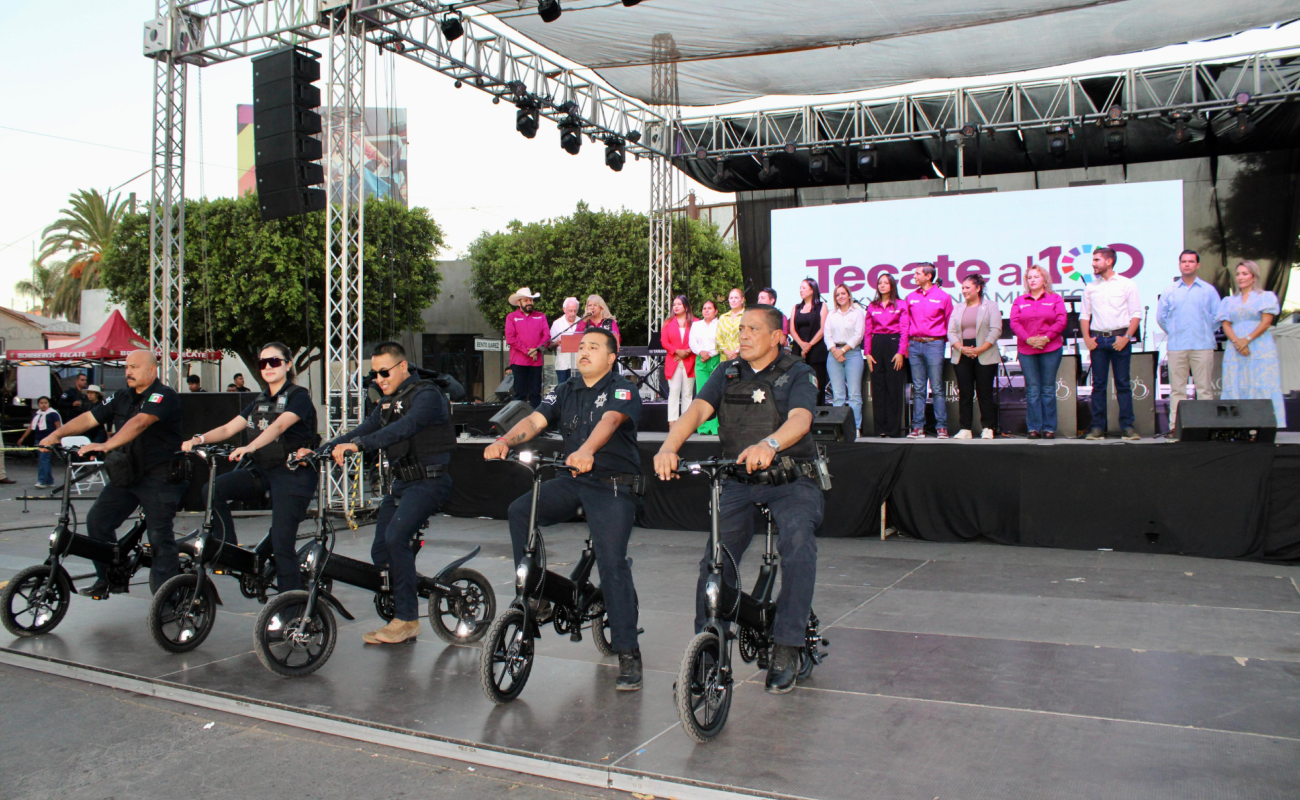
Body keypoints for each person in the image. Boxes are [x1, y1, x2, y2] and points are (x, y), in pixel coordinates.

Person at [654, 305, 823, 695]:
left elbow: (800, 419)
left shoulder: (798, 372)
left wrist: (770, 443)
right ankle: (708, 646)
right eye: (741, 328)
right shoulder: (728, 371)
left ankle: (787, 645)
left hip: (791, 477)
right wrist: (668, 447)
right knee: (715, 558)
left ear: (778, 336)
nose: (743, 334)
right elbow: (697, 409)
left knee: (798, 543)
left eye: (753, 328)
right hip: (739, 479)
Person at [484, 328, 645, 690]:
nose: (584, 352)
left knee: (611, 562)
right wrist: (504, 440)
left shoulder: (622, 389)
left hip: (612, 484)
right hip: (574, 479)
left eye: (593, 347)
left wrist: (587, 450)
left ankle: (628, 651)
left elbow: (610, 421)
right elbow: (536, 420)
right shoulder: (565, 388)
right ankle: (538, 594)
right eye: (581, 346)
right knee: (520, 511)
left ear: (610, 357)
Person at [322, 341, 457, 645]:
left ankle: (407, 619)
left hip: (429, 482)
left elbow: (405, 427)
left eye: (384, 372)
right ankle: (403, 590)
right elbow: (365, 429)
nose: (379, 379)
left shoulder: (427, 395)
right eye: (374, 375)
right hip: (401, 485)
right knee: (381, 551)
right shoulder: (386, 402)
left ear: (402, 367)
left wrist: (358, 447)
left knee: (396, 538)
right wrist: (323, 448)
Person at [39, 350, 185, 599]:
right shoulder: (121, 396)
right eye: (127, 367)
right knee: (98, 520)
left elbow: (140, 422)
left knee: (159, 536)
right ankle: (109, 576)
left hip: (159, 477)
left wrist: (107, 444)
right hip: (127, 474)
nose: (128, 371)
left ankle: (168, 598)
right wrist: (56, 435)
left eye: (135, 367)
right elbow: (89, 417)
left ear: (152, 370)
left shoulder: (164, 395)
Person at [182, 343, 319, 592]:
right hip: (265, 471)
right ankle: (230, 550)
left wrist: (250, 447)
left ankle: (291, 608)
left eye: (275, 361)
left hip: (293, 475)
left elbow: (278, 427)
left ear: (288, 365)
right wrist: (198, 440)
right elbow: (227, 429)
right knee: (213, 490)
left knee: (282, 543)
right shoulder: (260, 400)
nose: (268, 366)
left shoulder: (298, 396)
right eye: (263, 362)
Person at [1080, 247, 1142, 440]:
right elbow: (1084, 315)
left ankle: (1127, 427)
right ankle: (1098, 427)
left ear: (1109, 261)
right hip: (1098, 340)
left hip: (1119, 339)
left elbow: (1136, 314)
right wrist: (1087, 339)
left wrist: (1127, 337)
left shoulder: (1126, 284)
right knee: (1098, 386)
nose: (1093, 263)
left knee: (1123, 384)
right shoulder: (1091, 287)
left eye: (1097, 260)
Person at [1217, 260, 1287, 427]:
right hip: (1235, 348)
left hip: (1259, 346)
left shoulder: (1265, 297)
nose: (1240, 277)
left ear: (1254, 276)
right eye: (1238, 274)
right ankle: (1235, 425)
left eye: (1245, 273)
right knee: (1235, 381)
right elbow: (1225, 323)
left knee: (1260, 381)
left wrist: (1246, 340)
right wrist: (1236, 342)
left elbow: (1266, 322)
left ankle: (1262, 424)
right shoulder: (1229, 300)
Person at [1157, 249, 1220, 430]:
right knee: (1177, 390)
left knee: (1204, 390)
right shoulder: (1169, 291)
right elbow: (1161, 317)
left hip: (1203, 345)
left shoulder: (1208, 290)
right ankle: (1176, 428)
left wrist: (1205, 330)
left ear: (1198, 265)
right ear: (1179, 265)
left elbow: (1217, 316)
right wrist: (1176, 332)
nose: (1187, 264)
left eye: (1191, 261)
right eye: (1184, 261)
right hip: (1178, 346)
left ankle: (1207, 428)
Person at [1010, 265, 1067, 439]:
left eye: (1036, 276)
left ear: (1044, 279)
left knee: (1048, 388)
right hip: (1027, 349)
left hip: (1050, 348)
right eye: (1029, 277)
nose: (1032, 280)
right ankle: (1033, 428)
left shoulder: (1055, 298)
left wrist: (1046, 337)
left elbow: (1061, 320)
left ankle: (1049, 428)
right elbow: (1014, 323)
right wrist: (1028, 339)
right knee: (1033, 389)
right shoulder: (1020, 300)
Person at [947, 274, 1002, 439]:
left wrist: (980, 349)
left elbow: (996, 330)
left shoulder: (991, 306)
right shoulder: (957, 308)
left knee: (984, 392)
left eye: (967, 287)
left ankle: (988, 427)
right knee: (965, 392)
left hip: (984, 353)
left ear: (978, 288)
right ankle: (965, 428)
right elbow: (951, 331)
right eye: (962, 288)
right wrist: (961, 348)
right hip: (962, 353)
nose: (964, 291)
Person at [906, 263, 955, 438]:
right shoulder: (910, 297)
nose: (914, 276)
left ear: (928, 276)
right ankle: (918, 426)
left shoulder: (943, 297)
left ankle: (941, 426)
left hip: (935, 344)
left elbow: (950, 323)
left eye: (918, 273)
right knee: (918, 388)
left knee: (937, 387)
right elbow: (906, 323)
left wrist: (942, 342)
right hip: (914, 344)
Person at [864, 273, 909, 438]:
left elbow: (905, 330)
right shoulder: (872, 306)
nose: (882, 285)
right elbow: (868, 332)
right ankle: (880, 429)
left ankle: (893, 429)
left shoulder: (901, 304)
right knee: (878, 388)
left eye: (885, 283)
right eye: (879, 283)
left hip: (893, 343)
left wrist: (900, 352)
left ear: (892, 285)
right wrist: (867, 353)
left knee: (894, 387)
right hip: (876, 345)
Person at [824, 283, 865, 435]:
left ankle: (855, 428)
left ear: (849, 295)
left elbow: (858, 335)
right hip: (833, 354)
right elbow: (827, 335)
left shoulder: (857, 313)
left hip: (852, 353)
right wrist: (835, 351)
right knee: (838, 395)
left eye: (843, 293)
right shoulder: (831, 314)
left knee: (854, 394)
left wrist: (843, 351)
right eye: (837, 294)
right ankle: (839, 429)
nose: (840, 296)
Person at [505, 287, 549, 408]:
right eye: (526, 300)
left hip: (536, 362)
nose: (529, 303)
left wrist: (536, 349)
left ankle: (537, 423)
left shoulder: (541, 316)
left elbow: (547, 336)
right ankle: (520, 422)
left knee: (536, 393)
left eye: (531, 300)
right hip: (519, 361)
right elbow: (510, 338)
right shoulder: (511, 317)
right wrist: (527, 351)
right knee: (520, 393)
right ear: (519, 303)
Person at [791, 278, 829, 404]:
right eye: (800, 288)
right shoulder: (796, 307)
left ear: (812, 290)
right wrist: (802, 345)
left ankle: (818, 414)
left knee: (817, 383)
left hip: (816, 351)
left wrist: (809, 345)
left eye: (804, 288)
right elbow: (792, 330)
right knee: (799, 383)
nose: (801, 290)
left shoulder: (822, 306)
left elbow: (823, 329)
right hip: (798, 350)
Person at [660, 295, 696, 422]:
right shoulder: (668, 323)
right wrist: (677, 351)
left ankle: (685, 423)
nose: (676, 306)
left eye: (679, 304)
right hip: (673, 360)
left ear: (685, 307)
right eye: (674, 304)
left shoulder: (695, 322)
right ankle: (672, 422)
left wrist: (688, 351)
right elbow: (664, 341)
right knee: (674, 392)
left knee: (687, 393)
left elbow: (698, 340)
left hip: (689, 360)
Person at [690, 299, 722, 435]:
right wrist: (701, 352)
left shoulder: (720, 324)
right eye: (704, 308)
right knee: (702, 393)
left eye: (709, 308)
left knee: (715, 392)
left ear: (716, 311)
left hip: (716, 358)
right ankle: (703, 427)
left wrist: (710, 353)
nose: (706, 310)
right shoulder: (696, 325)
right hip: (701, 359)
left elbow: (721, 341)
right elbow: (692, 342)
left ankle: (715, 427)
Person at [17, 397, 61, 488]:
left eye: (45, 403)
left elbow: (58, 427)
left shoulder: (53, 414)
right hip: (39, 439)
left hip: (49, 440)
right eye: (41, 403)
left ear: (49, 404)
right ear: (38, 405)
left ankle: (41, 481)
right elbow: (31, 427)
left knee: (43, 459)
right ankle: (49, 481)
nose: (44, 405)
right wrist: (22, 438)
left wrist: (58, 438)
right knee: (45, 460)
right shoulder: (37, 414)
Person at [549, 296, 582, 386]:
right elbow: (550, 344)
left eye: (575, 311)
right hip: (562, 364)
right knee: (563, 389)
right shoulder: (557, 323)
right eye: (570, 311)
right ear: (564, 309)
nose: (573, 313)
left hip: (578, 364)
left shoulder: (581, 322)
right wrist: (557, 343)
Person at [716, 288, 745, 362]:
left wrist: (736, 352)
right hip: (725, 356)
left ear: (742, 300)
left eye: (736, 298)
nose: (733, 300)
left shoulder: (747, 315)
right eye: (731, 298)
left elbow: (749, 336)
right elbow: (718, 338)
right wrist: (727, 352)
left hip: (742, 355)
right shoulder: (723, 317)